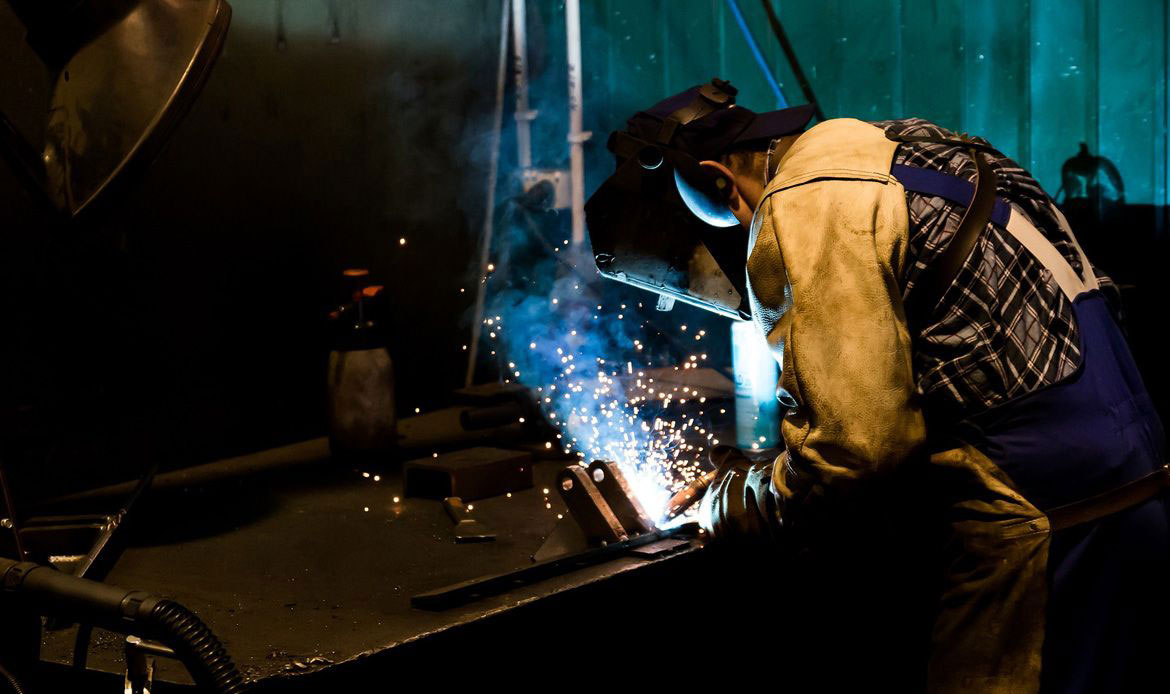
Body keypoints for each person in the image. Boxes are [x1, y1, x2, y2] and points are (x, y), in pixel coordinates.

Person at [585, 79, 1169, 693]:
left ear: (718, 180)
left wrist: (730, 503)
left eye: (724, 218)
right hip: (1142, 485)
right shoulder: (914, 145)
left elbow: (855, 457)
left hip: (1041, 527)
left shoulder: (806, 200)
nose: (736, 231)